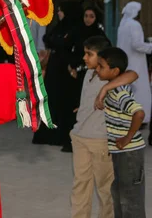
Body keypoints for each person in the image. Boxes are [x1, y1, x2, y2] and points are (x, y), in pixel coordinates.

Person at [69, 35, 137, 218]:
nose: (84, 58)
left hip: (100, 141)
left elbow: (133, 75)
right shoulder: (90, 73)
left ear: (102, 58)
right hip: (80, 137)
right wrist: (83, 109)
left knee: (105, 189)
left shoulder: (109, 77)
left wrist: (106, 88)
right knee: (80, 185)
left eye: (89, 54)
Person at [96, 47, 146, 217]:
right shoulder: (112, 88)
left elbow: (139, 113)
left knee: (130, 199)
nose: (97, 69)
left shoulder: (119, 92)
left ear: (115, 71)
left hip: (129, 153)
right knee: (119, 194)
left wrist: (127, 139)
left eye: (101, 66)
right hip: (121, 152)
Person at [33, 2, 80, 148]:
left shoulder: (74, 28)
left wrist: (56, 41)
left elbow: (61, 42)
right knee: (51, 99)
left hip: (64, 70)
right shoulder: (59, 27)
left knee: (62, 100)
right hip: (54, 67)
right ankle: (49, 133)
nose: (59, 13)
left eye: (61, 11)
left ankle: (61, 134)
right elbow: (48, 38)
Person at [63, 6, 108, 152]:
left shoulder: (100, 36)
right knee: (77, 105)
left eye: (91, 16)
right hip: (77, 75)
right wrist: (72, 66)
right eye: (86, 16)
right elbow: (70, 49)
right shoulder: (78, 31)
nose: (88, 19)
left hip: (91, 74)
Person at [116, 1, 152, 126]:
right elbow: (137, 45)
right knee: (140, 91)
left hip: (126, 63)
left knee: (128, 92)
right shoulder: (134, 25)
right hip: (136, 64)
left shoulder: (122, 24)